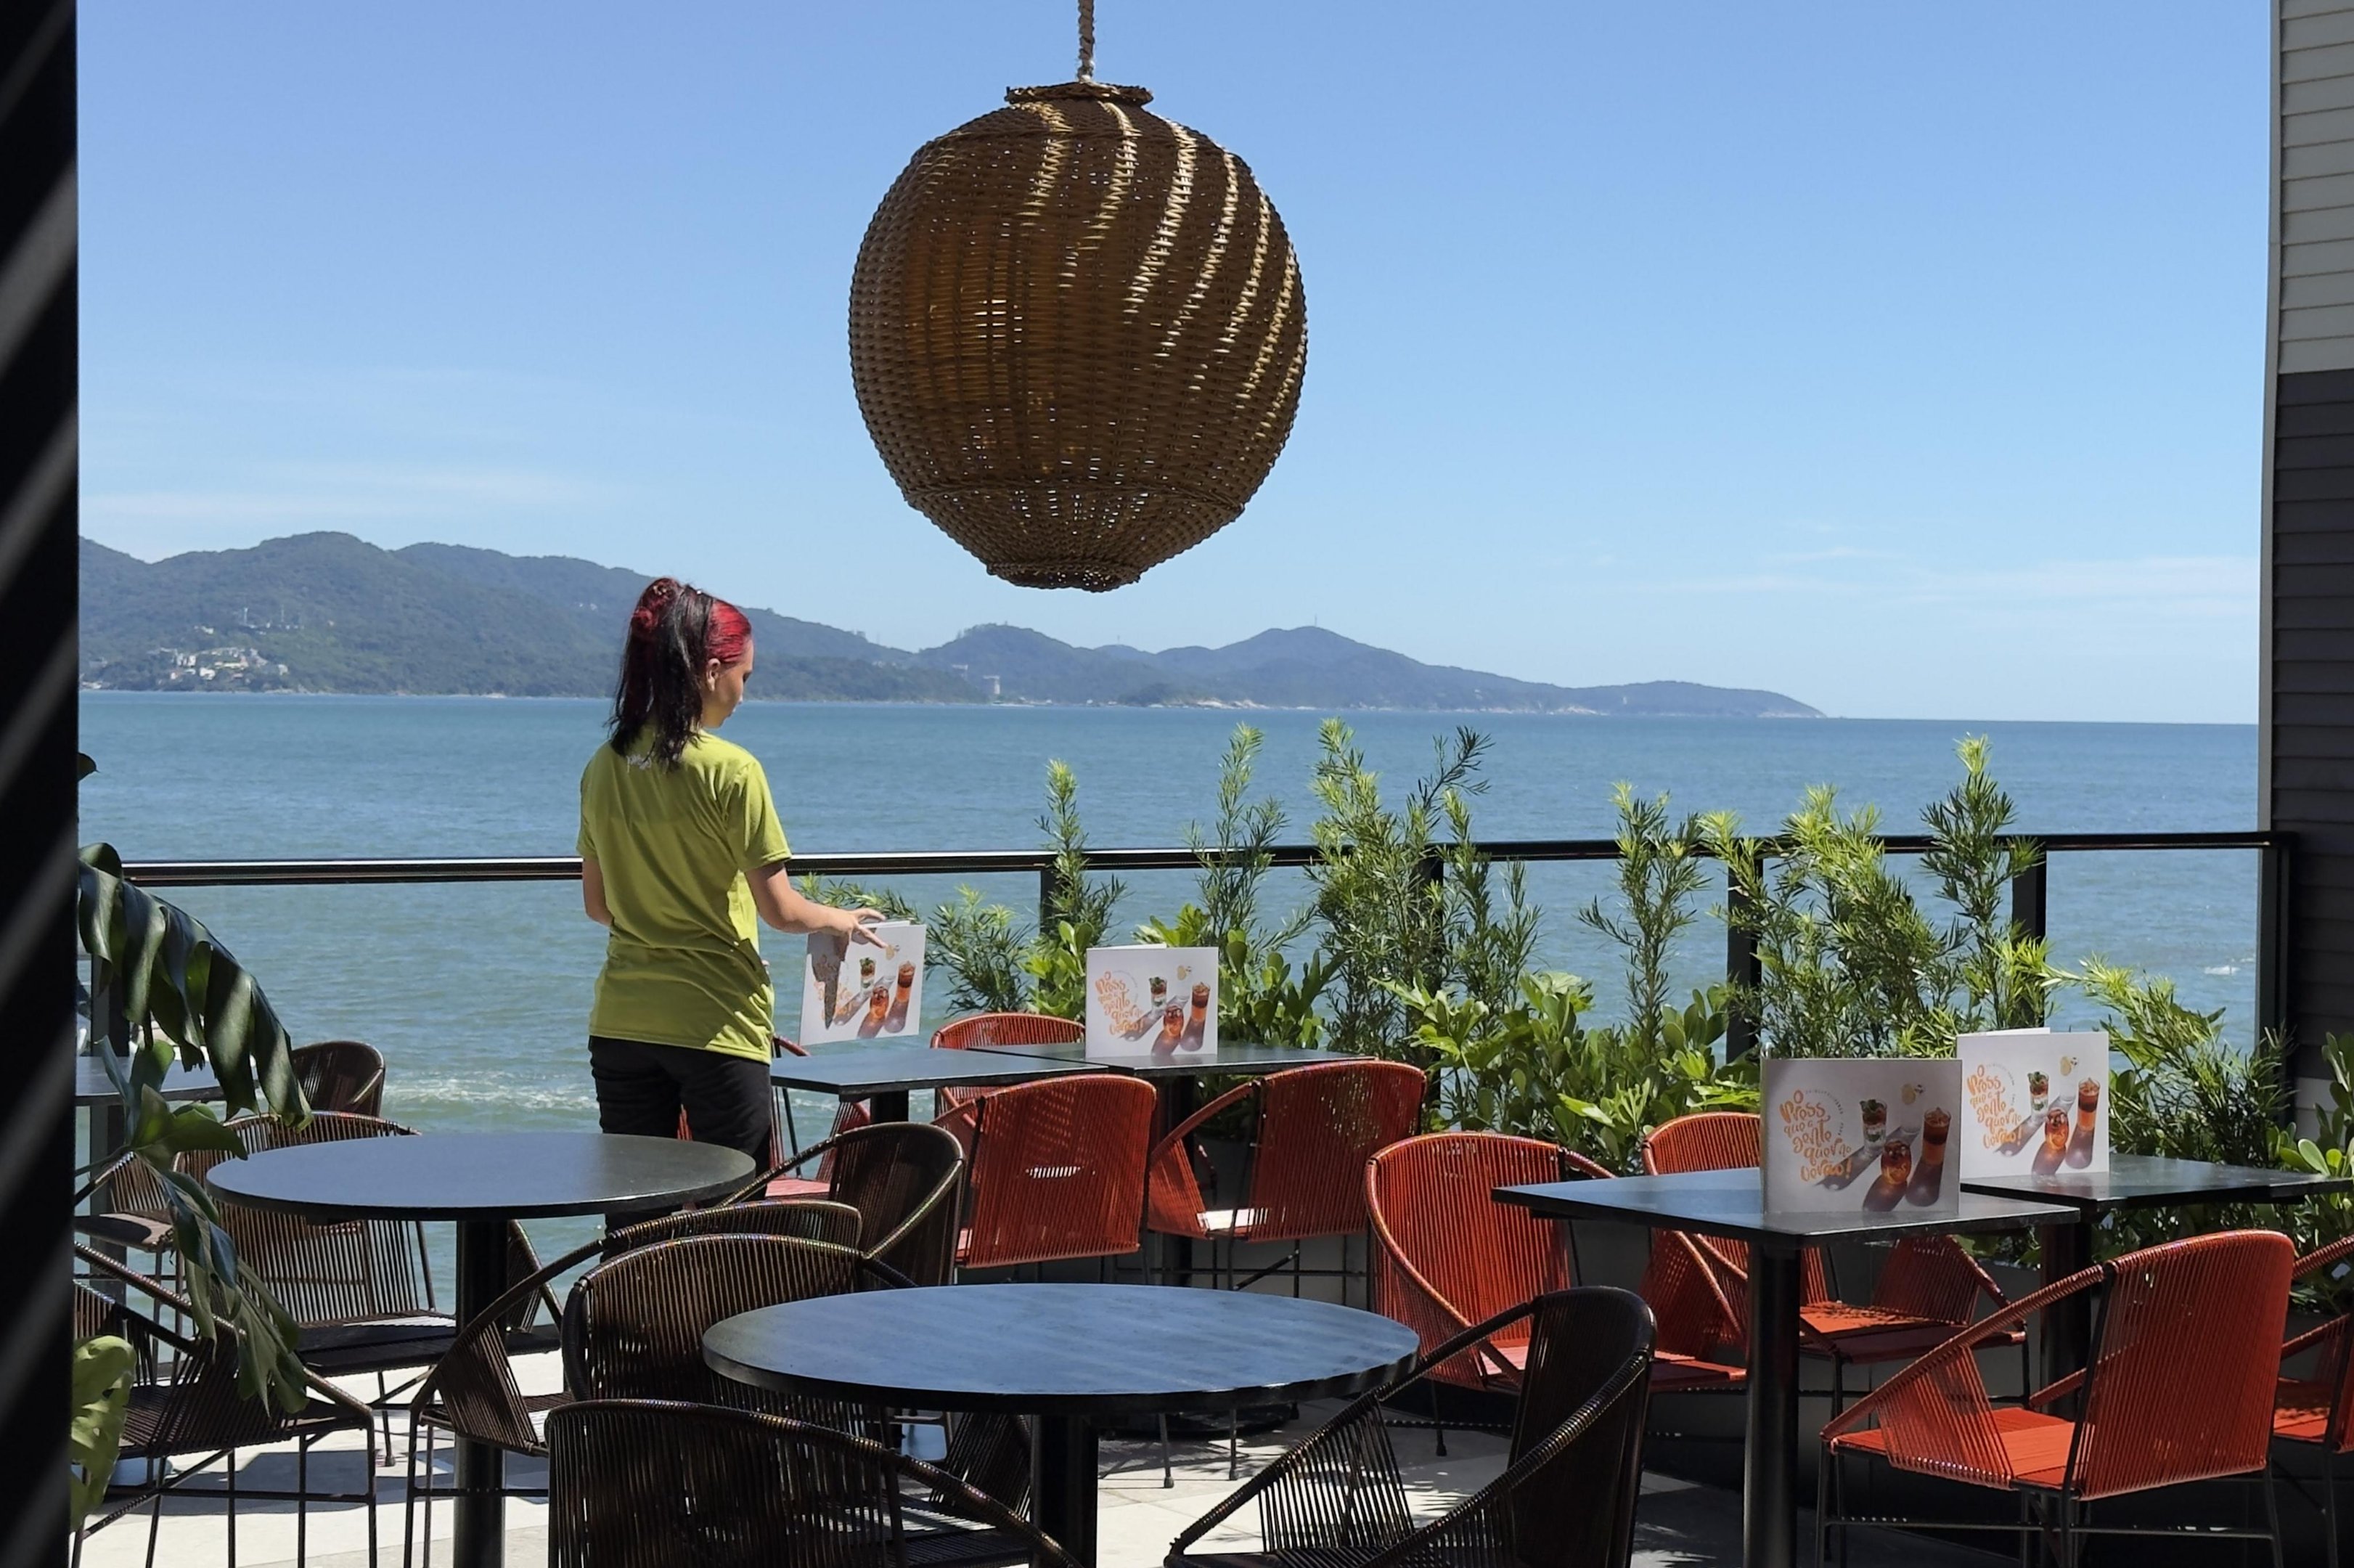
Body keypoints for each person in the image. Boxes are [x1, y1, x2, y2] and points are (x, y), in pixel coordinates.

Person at [576, 577, 880, 1164]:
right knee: (733, 1212)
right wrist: (840, 920)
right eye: (744, 678)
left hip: (622, 1020)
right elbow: (783, 911)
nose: (742, 695)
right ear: (712, 670)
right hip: (714, 1019)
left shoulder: (605, 764)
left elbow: (599, 906)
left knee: (634, 1209)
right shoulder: (732, 770)